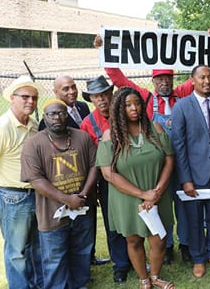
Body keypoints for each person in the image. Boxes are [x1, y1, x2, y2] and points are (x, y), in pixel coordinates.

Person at [94, 35, 192, 264]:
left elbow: (201, 75)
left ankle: (185, 243)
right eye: (159, 79)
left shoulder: (183, 93)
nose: (164, 83)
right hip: (153, 163)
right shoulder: (145, 98)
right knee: (159, 203)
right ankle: (165, 247)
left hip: (177, 159)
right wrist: (106, 51)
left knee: (184, 205)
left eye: (168, 78)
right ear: (153, 81)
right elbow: (119, 79)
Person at [96, 88, 175, 289]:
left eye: (137, 103)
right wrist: (142, 195)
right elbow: (108, 174)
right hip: (127, 196)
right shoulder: (110, 136)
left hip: (157, 192)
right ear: (119, 109)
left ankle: (155, 276)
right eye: (128, 105)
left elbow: (169, 160)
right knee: (133, 240)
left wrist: (155, 193)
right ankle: (144, 280)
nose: (134, 108)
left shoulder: (155, 128)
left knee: (159, 238)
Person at [21, 99, 98, 289]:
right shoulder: (34, 144)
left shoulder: (82, 137)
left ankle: (79, 284)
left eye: (62, 113)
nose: (57, 118)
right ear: (44, 117)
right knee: (54, 258)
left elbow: (94, 166)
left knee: (81, 251)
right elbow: (36, 179)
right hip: (51, 213)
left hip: (83, 208)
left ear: (68, 115)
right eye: (52, 114)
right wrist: (67, 199)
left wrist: (82, 195)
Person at [171, 65, 210, 278]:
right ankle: (198, 257)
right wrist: (185, 179)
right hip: (193, 174)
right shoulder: (182, 106)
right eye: (202, 77)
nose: (207, 81)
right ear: (192, 80)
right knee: (193, 218)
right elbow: (179, 145)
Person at [0, 75, 44, 289]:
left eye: (34, 98)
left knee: (37, 248)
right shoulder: (0, 128)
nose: (30, 102)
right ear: (12, 98)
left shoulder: (33, 125)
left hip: (37, 194)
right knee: (17, 252)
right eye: (24, 97)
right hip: (13, 197)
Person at [80, 76, 130, 283]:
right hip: (107, 180)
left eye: (104, 94)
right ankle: (121, 265)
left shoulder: (125, 115)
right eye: (96, 96)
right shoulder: (87, 124)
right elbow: (87, 159)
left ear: (111, 94)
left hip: (131, 175)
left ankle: (137, 258)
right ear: (91, 99)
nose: (101, 99)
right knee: (113, 225)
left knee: (134, 220)